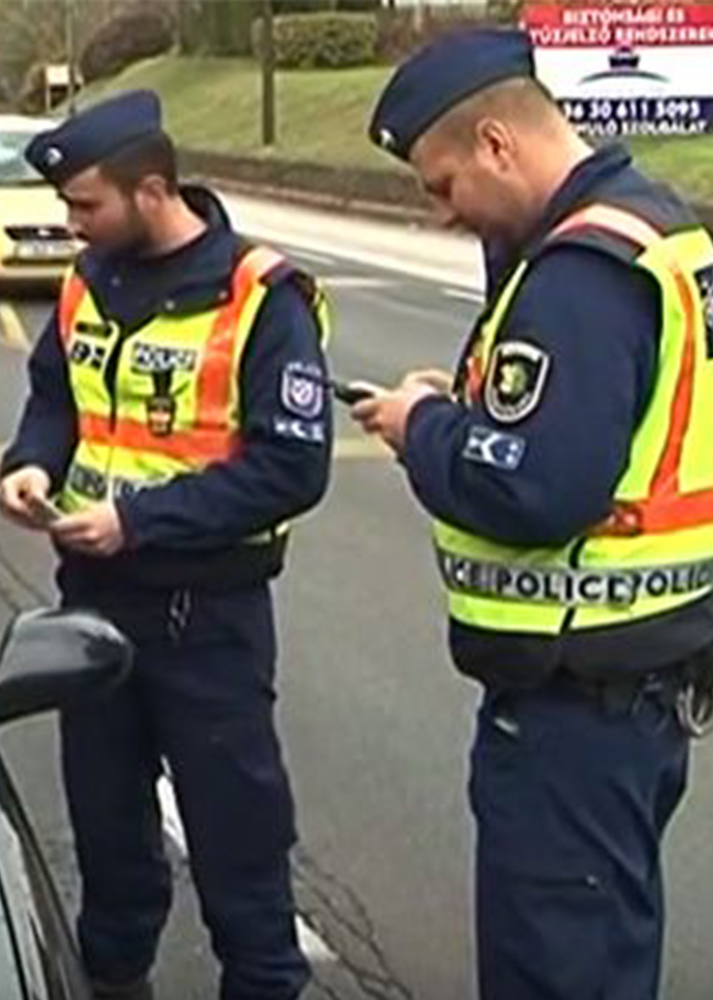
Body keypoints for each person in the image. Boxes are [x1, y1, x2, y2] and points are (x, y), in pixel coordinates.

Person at [353, 29, 713, 1000]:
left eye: (441, 184)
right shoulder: (657, 231)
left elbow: (538, 487)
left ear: (500, 147)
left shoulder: (580, 275)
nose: (439, 215)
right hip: (637, 683)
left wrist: (422, 426)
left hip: (576, 701)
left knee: (558, 971)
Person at [0, 90, 333, 1000]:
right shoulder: (86, 280)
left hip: (206, 616)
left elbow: (292, 469)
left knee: (236, 838)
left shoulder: (262, 297)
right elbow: (54, 399)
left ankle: (262, 980)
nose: (72, 225)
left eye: (86, 206)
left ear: (152, 191)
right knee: (106, 835)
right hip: (94, 604)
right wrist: (32, 464)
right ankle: (113, 977)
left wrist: (139, 521)